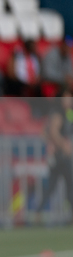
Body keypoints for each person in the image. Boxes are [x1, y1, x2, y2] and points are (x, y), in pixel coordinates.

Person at [36, 89, 73, 219]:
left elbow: (45, 132)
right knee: (66, 185)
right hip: (60, 157)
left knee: (55, 186)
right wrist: (64, 145)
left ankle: (38, 213)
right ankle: (38, 213)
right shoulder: (58, 112)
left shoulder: (67, 113)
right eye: (67, 98)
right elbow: (52, 131)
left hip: (59, 156)